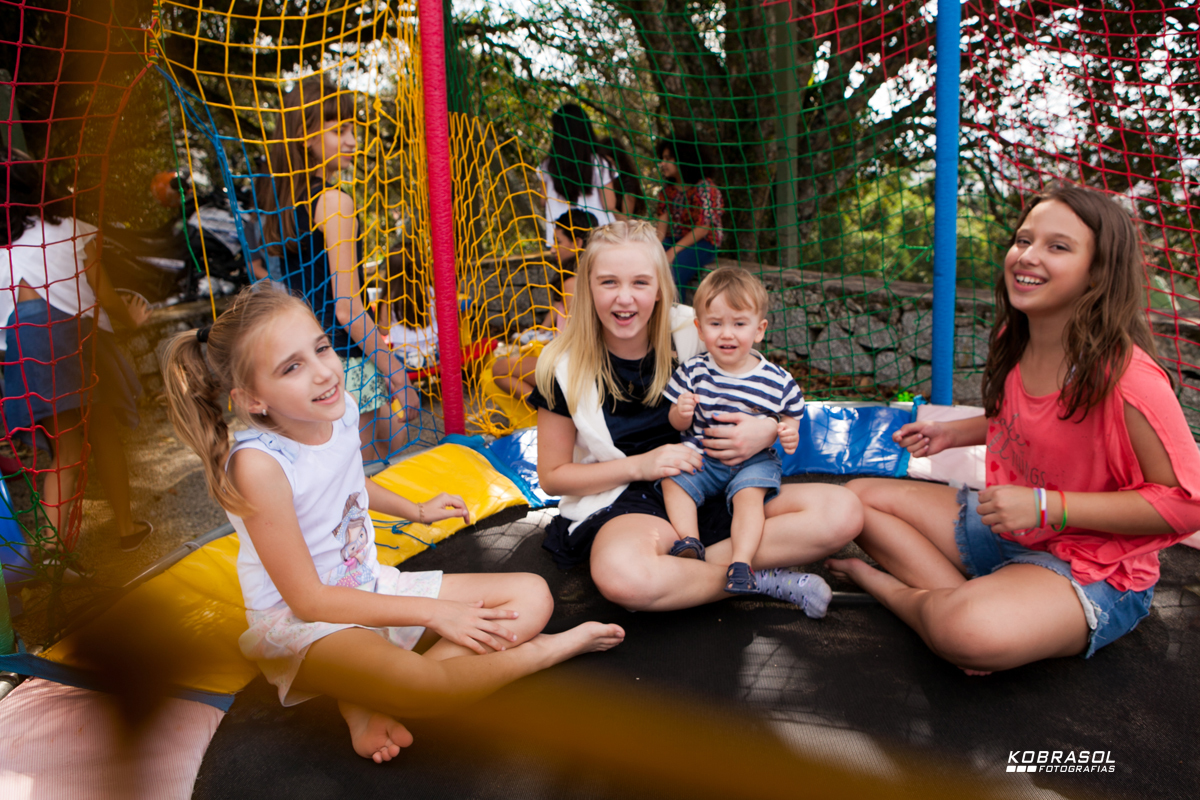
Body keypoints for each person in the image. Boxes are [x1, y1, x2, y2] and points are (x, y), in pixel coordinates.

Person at [161, 286, 624, 763]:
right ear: (253, 399)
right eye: (291, 367)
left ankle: (367, 694)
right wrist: (430, 613)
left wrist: (417, 509)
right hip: (305, 624)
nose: (323, 371)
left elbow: (348, 484)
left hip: (370, 585)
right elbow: (307, 599)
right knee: (422, 687)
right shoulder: (258, 466)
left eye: (321, 347)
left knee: (532, 595)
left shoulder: (336, 412)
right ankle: (539, 654)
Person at [829, 185, 1200, 673]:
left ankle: (901, 594)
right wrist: (952, 434)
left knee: (967, 633)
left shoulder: (1131, 380)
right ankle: (971, 607)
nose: (1028, 256)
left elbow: (1184, 503)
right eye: (1024, 239)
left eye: (1058, 246)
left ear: (1098, 270)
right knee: (859, 498)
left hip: (1091, 567)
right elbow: (1023, 417)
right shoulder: (1016, 337)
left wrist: (1047, 505)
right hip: (1012, 532)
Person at [529, 221, 862, 614]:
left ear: (659, 287)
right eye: (608, 283)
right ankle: (755, 580)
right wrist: (644, 465)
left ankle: (690, 575)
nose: (625, 298)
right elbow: (552, 477)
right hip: (627, 500)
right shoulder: (560, 366)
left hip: (708, 480)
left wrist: (768, 429)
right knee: (624, 575)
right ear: (588, 287)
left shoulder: (695, 327)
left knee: (842, 511)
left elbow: (759, 385)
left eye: (639, 282)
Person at [254, 75, 417, 462]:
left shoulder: (282, 203)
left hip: (301, 365)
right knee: (370, 481)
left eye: (352, 129)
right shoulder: (333, 202)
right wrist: (398, 377)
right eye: (337, 130)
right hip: (344, 365)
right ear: (305, 136)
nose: (351, 141)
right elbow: (347, 309)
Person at [2, 156, 153, 559]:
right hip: (70, 339)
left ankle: (52, 551)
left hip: (24, 346)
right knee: (103, 435)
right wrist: (131, 319)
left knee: (63, 451)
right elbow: (103, 294)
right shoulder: (70, 231)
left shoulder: (4, 252)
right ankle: (119, 531)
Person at [660, 267, 809, 600]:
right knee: (671, 479)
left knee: (749, 498)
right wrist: (681, 413)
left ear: (759, 329)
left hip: (754, 462)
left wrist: (788, 433)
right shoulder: (693, 370)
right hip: (705, 460)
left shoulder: (776, 378)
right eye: (716, 324)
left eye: (739, 324)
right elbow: (675, 424)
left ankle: (741, 562)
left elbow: (792, 413)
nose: (727, 334)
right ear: (699, 328)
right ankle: (690, 542)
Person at [492, 210, 596, 400]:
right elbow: (559, 308)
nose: (553, 249)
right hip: (570, 361)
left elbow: (580, 332)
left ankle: (553, 409)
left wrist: (550, 349)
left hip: (572, 368)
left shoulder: (573, 282)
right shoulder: (587, 275)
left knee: (499, 368)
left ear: (578, 243)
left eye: (559, 242)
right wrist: (542, 330)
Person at [538, 104, 616, 247]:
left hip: (562, 238)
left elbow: (543, 200)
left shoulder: (548, 165)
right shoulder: (599, 162)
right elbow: (609, 203)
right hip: (597, 234)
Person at [654, 137, 723, 298]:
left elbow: (702, 229)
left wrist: (672, 252)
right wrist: (653, 250)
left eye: (668, 159)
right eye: (661, 159)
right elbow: (661, 231)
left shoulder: (705, 188)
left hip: (704, 243)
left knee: (673, 275)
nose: (662, 164)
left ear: (683, 159)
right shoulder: (667, 191)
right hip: (673, 239)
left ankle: (676, 318)